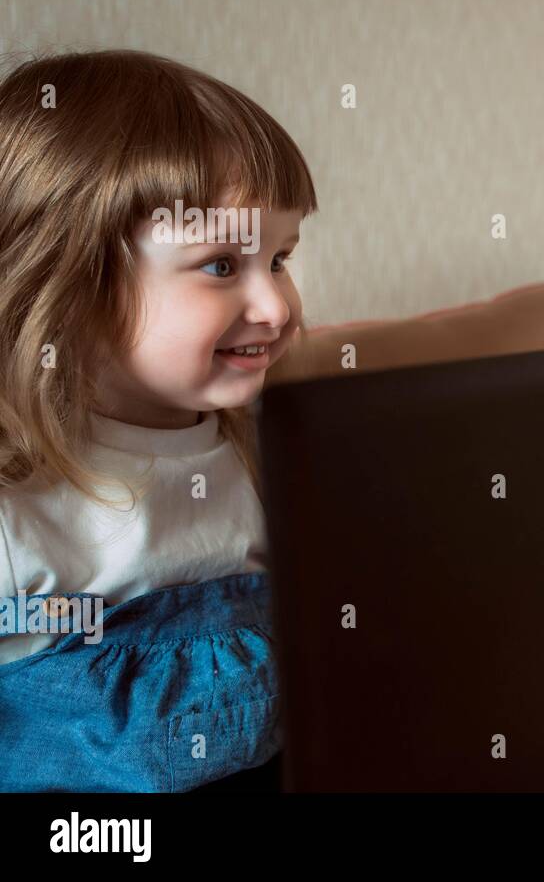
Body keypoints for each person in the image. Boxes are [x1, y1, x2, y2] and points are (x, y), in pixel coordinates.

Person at [0, 48, 316, 791]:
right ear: (69, 287)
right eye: (220, 265)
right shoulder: (19, 508)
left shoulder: (264, 451)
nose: (277, 306)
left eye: (280, 258)